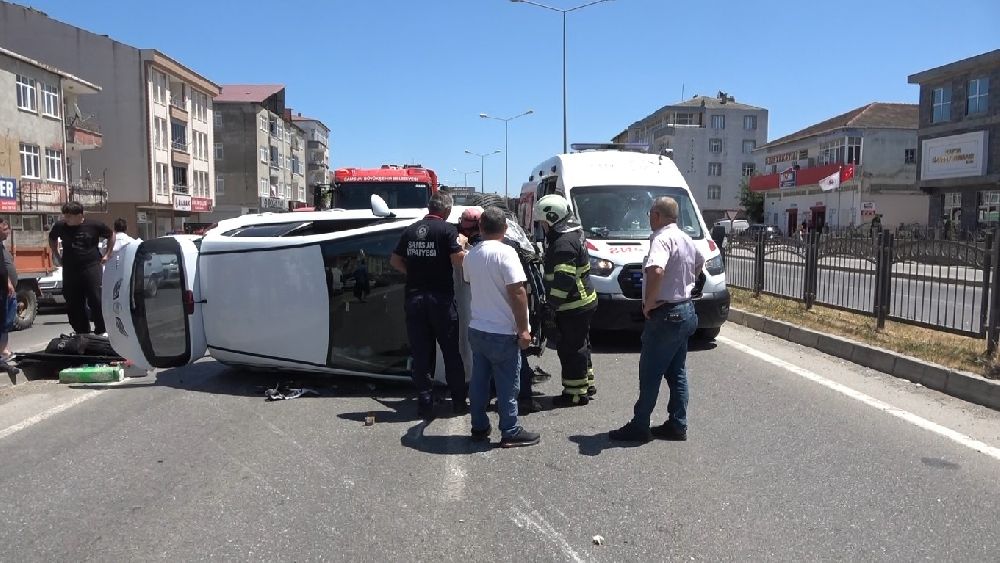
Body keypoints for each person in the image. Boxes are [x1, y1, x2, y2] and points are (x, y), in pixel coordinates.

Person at [609, 196, 704, 443]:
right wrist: (684, 283)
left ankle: (640, 425)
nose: (648, 217)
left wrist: (649, 302)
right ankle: (677, 424)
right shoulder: (684, 237)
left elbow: (656, 270)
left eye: (650, 213)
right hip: (685, 310)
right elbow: (700, 262)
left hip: (667, 314)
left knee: (650, 372)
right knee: (677, 372)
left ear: (658, 215)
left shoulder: (661, 238)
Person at [463, 207, 540, 448]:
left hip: (477, 328)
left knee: (479, 381)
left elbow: (468, 280)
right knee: (508, 384)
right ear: (505, 229)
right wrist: (524, 329)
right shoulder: (507, 253)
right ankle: (510, 430)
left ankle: (479, 426)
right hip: (502, 332)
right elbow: (517, 292)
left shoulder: (472, 255)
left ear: (480, 228)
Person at [390, 192, 468, 418]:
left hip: (414, 299)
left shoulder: (412, 229)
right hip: (440, 300)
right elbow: (458, 261)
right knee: (451, 353)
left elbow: (395, 260)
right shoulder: (447, 230)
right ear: (447, 211)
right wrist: (462, 244)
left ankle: (425, 403)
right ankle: (459, 402)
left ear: (429, 208)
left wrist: (414, 273)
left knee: (421, 354)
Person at [533, 194, 598, 407]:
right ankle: (586, 383)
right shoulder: (572, 235)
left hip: (573, 305)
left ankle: (575, 393)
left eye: (543, 222)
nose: (542, 227)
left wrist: (551, 305)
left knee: (571, 348)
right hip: (582, 302)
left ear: (551, 219)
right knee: (581, 344)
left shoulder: (562, 243)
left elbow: (564, 279)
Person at [48, 201, 113, 337]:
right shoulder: (60, 226)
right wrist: (56, 253)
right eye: (65, 216)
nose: (66, 219)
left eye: (69, 217)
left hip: (91, 266)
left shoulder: (94, 225)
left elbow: (111, 235)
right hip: (70, 268)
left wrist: (108, 254)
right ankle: (81, 330)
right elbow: (52, 238)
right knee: (73, 300)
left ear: (80, 215)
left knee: (95, 298)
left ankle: (101, 329)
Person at [0, 219, 19, 376]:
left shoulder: (2, 246)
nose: (8, 231)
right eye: (5, 229)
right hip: (3, 291)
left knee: (7, 321)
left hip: (8, 291)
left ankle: (4, 350)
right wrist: (7, 283)